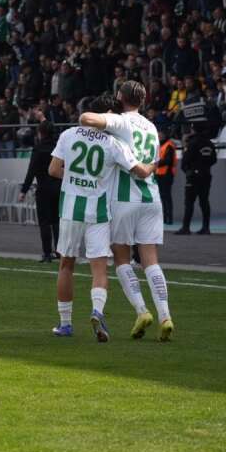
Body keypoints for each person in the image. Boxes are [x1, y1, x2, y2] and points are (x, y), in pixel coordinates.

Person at [51, 95, 155, 342]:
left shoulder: (68, 135)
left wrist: (76, 177)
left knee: (66, 265)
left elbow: (53, 170)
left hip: (70, 209)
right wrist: (153, 163)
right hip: (98, 212)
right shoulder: (113, 143)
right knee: (99, 268)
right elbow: (139, 172)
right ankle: (97, 311)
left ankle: (65, 324)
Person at [79, 81, 174, 342]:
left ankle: (142, 311)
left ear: (120, 97)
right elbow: (154, 162)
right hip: (152, 197)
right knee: (150, 259)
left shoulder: (121, 121)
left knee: (121, 257)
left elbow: (86, 118)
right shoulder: (152, 127)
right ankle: (165, 315)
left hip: (124, 197)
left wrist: (103, 117)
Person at [19, 121, 60, 263]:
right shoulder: (58, 147)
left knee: (44, 222)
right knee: (56, 221)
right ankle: (60, 251)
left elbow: (31, 171)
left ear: (40, 133)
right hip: (58, 187)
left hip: (43, 188)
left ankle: (47, 253)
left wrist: (23, 190)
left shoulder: (38, 148)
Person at [177, 124, 216, 235]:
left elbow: (186, 159)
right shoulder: (210, 143)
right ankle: (206, 227)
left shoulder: (192, 143)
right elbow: (214, 159)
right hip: (206, 175)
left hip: (193, 176)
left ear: (193, 130)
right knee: (204, 201)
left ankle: (186, 227)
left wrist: (188, 170)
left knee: (189, 202)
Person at [155, 129, 176, 224]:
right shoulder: (161, 145)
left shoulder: (169, 145)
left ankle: (169, 218)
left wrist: (155, 164)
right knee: (163, 197)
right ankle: (164, 217)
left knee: (166, 197)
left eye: (160, 135)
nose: (159, 137)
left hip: (167, 174)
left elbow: (168, 160)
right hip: (160, 174)